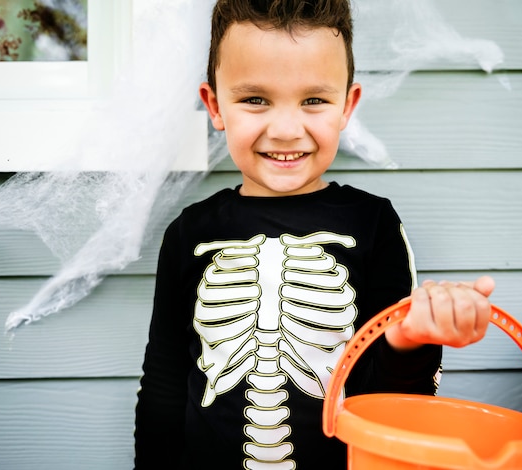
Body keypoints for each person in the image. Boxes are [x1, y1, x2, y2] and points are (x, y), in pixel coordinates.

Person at [134, 0, 495, 468]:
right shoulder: (189, 232)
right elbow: (164, 386)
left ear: (347, 106)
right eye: (255, 99)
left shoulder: (374, 225)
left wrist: (411, 340)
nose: (286, 129)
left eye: (314, 100)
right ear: (214, 105)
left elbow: (398, 406)